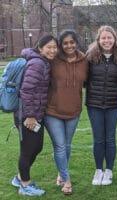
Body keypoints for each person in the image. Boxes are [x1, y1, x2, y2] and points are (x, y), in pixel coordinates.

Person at [11, 35, 58, 196]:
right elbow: (27, 90)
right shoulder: (38, 63)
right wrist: (30, 116)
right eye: (49, 47)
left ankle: (19, 178)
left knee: (36, 147)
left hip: (35, 114)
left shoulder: (42, 62)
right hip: (27, 115)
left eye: (54, 47)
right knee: (28, 150)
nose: (52, 50)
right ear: (40, 48)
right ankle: (25, 184)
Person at [44, 29, 88, 195]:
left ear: (76, 42)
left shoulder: (85, 60)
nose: (69, 45)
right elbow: (37, 56)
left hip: (74, 111)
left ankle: (60, 173)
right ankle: (67, 180)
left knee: (66, 146)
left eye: (72, 42)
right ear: (61, 45)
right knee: (60, 146)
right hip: (53, 111)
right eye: (65, 43)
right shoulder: (53, 59)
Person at [86, 25, 117, 186]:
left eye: (109, 37)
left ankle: (109, 170)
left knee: (110, 139)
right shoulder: (90, 57)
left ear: (114, 39)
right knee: (98, 139)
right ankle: (98, 170)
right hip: (94, 105)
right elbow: (83, 78)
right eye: (103, 38)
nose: (106, 40)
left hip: (113, 104)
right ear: (99, 40)